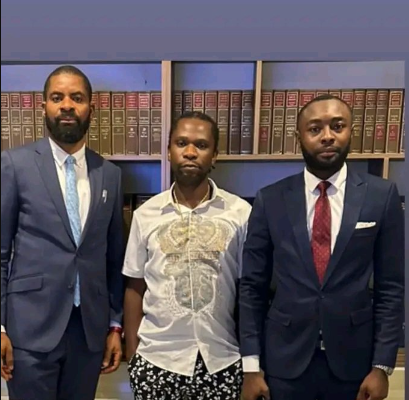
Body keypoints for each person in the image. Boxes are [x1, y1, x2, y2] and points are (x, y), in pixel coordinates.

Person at [239, 94, 404, 400]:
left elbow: (391, 287)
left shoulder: (381, 196)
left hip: (354, 364)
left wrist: (382, 366)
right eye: (315, 129)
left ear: (350, 131)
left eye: (337, 126)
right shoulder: (270, 199)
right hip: (283, 362)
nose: (327, 136)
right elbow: (252, 286)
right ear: (298, 137)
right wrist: (251, 367)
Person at [1, 65, 125, 400]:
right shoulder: (14, 165)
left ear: (91, 110)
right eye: (57, 97)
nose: (67, 105)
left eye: (77, 98)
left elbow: (115, 260)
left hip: (88, 333)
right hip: (29, 331)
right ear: (44, 107)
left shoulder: (110, 175)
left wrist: (115, 324)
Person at [122, 111, 252, 400]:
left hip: (223, 358)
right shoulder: (146, 215)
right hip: (156, 360)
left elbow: (249, 290)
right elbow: (134, 287)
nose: (191, 152)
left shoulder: (241, 214)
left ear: (214, 155)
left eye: (201, 145)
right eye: (182, 143)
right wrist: (133, 355)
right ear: (169, 151)